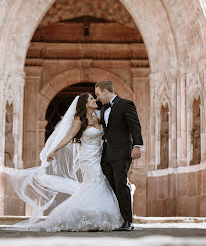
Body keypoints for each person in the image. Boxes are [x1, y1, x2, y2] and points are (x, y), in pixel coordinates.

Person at [3, 94, 123, 232]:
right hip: (87, 158)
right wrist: (53, 151)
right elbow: (68, 137)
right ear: (85, 104)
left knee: (95, 184)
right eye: (91, 99)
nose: (95, 100)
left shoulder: (98, 118)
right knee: (97, 181)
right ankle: (92, 216)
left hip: (99, 156)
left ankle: (91, 215)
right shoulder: (79, 120)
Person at [95, 80, 143, 231]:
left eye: (98, 94)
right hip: (106, 154)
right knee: (111, 186)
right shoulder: (103, 109)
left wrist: (137, 146)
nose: (97, 98)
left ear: (105, 91)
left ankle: (128, 221)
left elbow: (135, 125)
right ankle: (117, 218)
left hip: (122, 152)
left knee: (121, 184)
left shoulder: (126, 104)